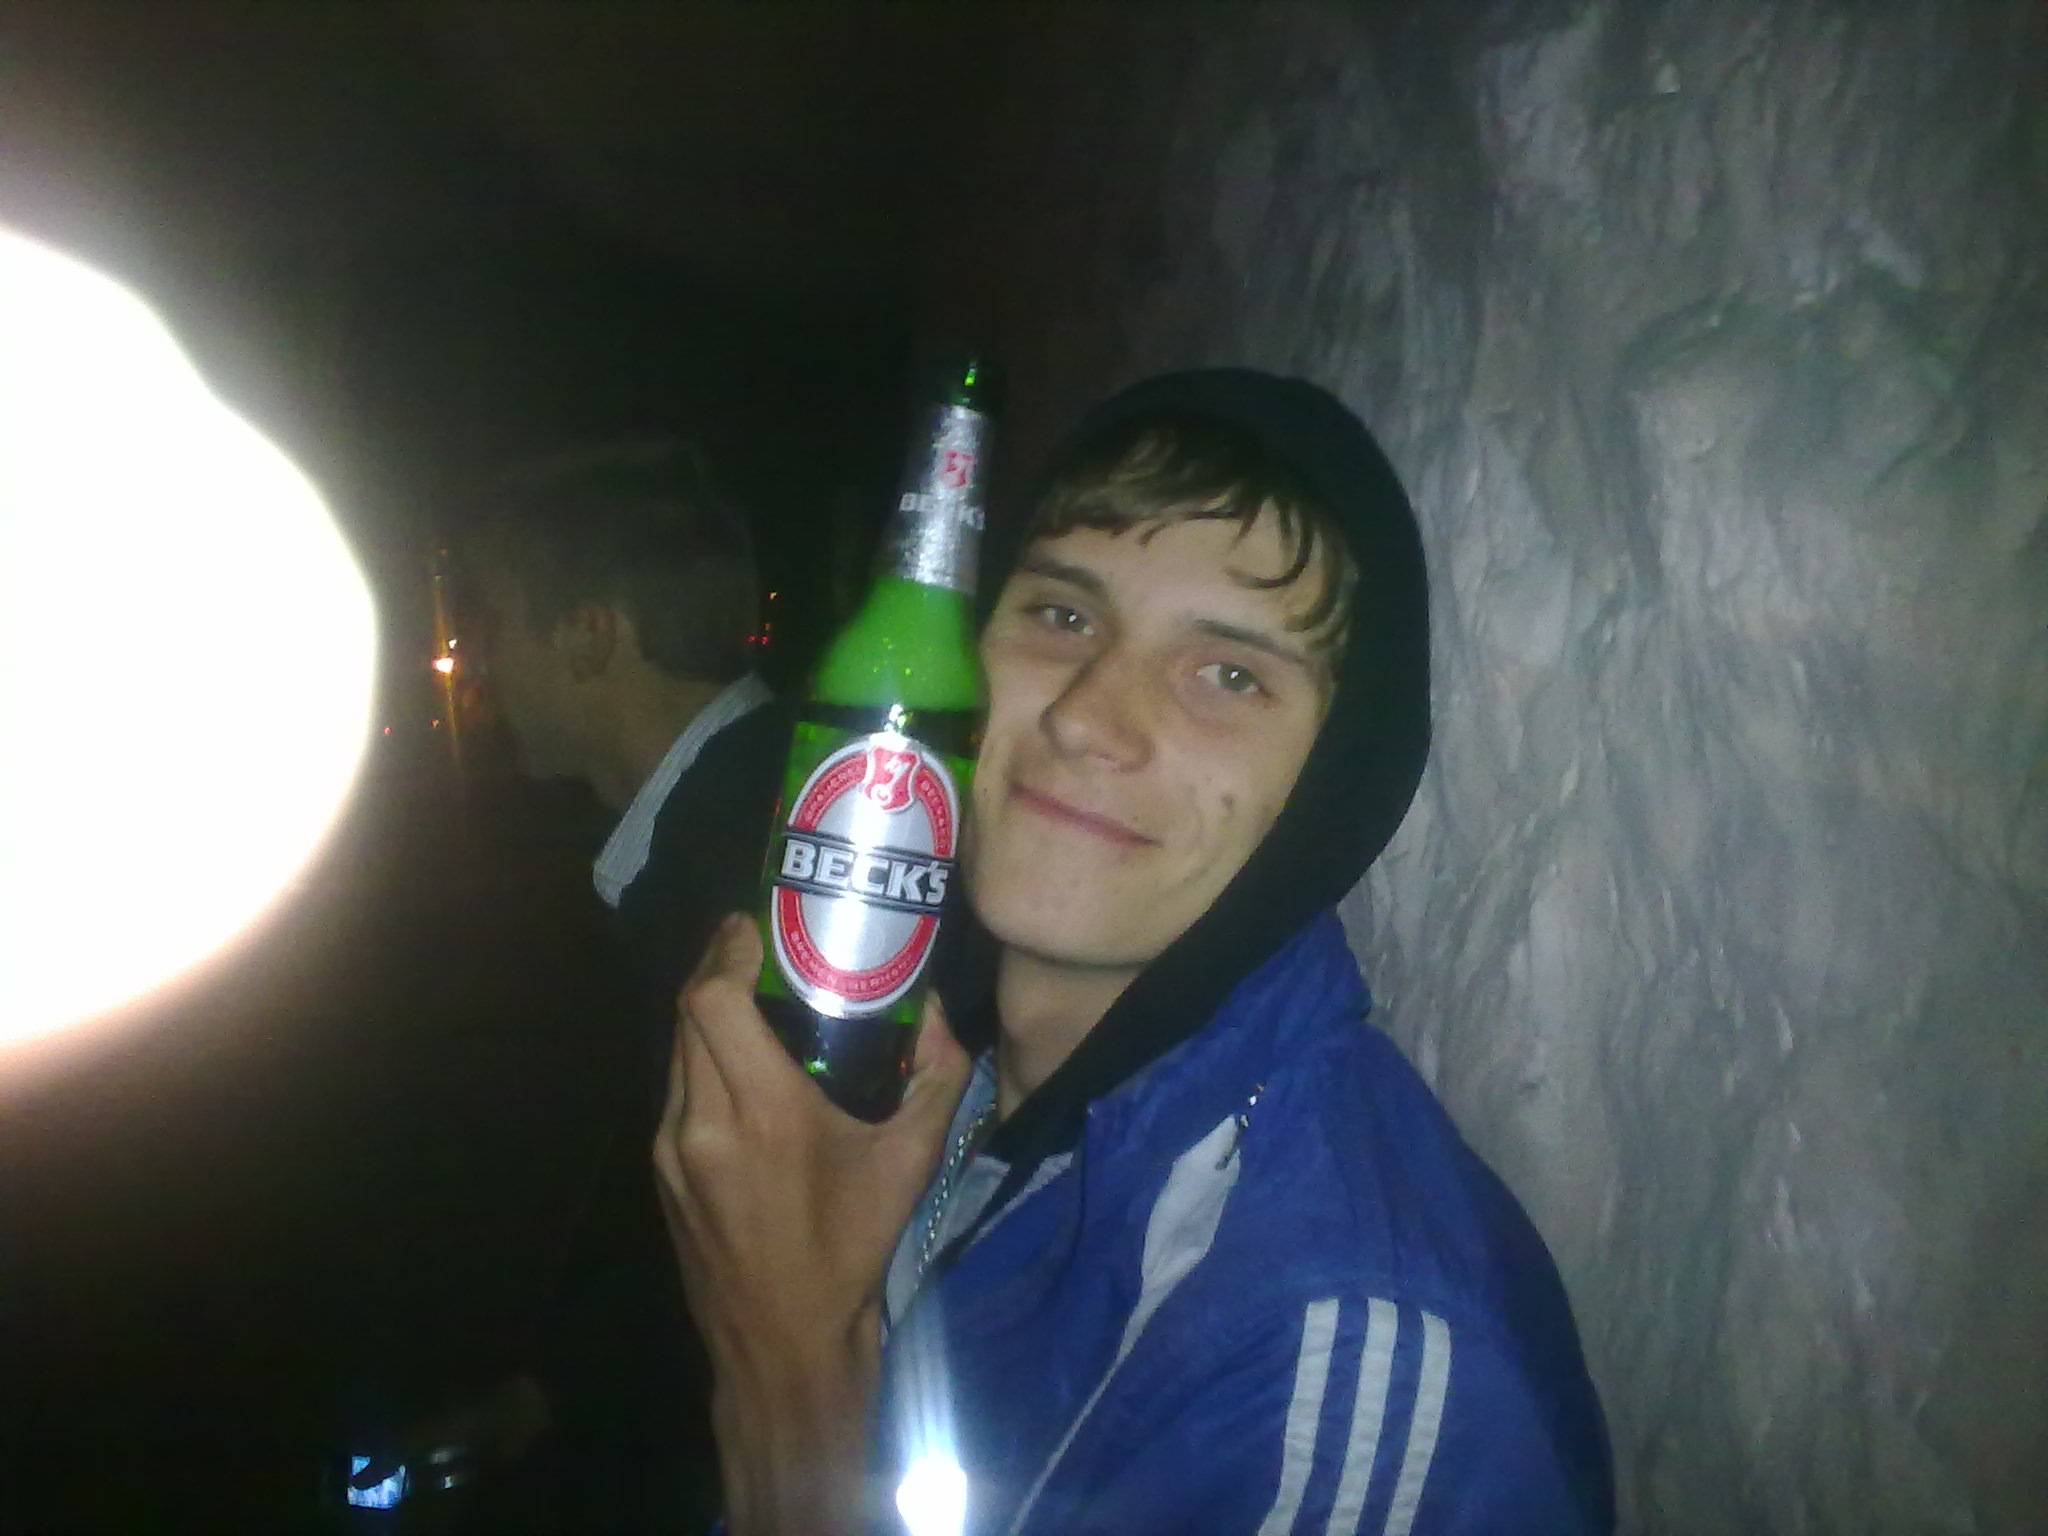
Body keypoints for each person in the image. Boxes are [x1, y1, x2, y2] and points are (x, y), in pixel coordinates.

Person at [655, 371, 1615, 1535]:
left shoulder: (1319, 1358)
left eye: (1229, 675)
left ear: (1334, 785)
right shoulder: (941, 1077)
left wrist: (789, 1380)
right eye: (1062, 616)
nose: (1084, 718)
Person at [386, 439, 792, 1526]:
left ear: (588, 636)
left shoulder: (756, 867)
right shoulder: (722, 818)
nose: (476, 662)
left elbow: (764, 1253)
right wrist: (555, 1389)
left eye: (494, 623)